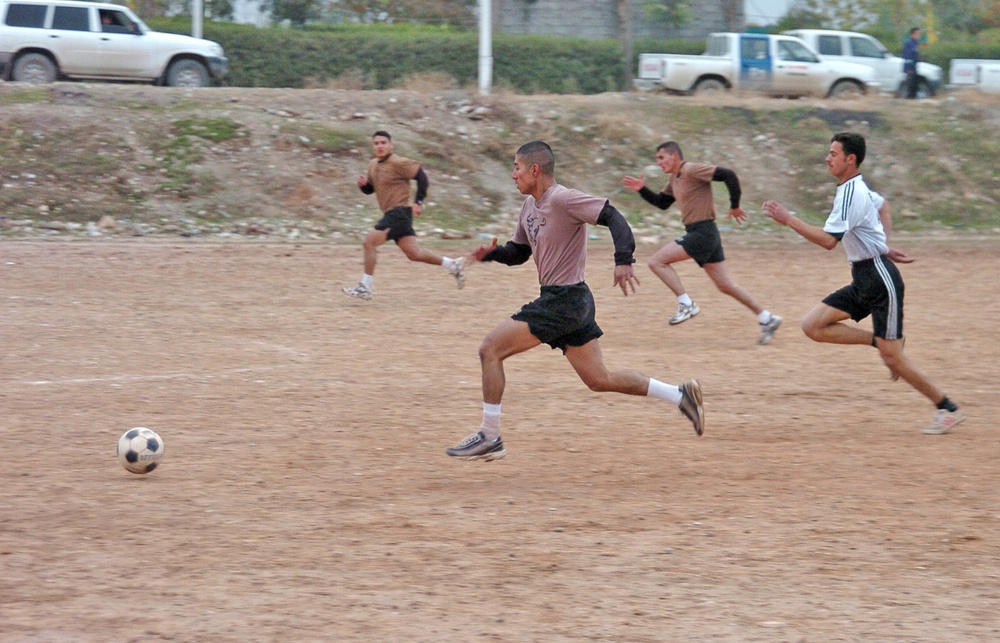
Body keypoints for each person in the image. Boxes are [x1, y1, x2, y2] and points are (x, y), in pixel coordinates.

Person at [445, 140, 704, 461]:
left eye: (516, 167)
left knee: (490, 349)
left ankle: (490, 435)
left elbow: (613, 216)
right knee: (600, 379)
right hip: (569, 302)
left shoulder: (563, 198)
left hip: (564, 300)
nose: (513, 175)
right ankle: (680, 395)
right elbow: (519, 254)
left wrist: (624, 259)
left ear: (534, 170)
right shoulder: (529, 207)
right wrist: (493, 254)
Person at [762, 132, 965, 435]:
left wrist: (788, 219)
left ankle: (947, 409)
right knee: (812, 326)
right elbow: (883, 207)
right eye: (828, 153)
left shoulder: (851, 193)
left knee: (894, 360)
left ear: (850, 159)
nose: (827, 158)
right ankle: (877, 341)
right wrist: (882, 245)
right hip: (864, 277)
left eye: (833, 153)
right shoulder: (856, 189)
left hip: (880, 279)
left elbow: (829, 241)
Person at [622, 141, 782, 344]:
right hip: (705, 233)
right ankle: (767, 318)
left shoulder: (691, 169)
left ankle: (686, 303)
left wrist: (734, 206)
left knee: (657, 262)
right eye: (657, 159)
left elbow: (728, 175)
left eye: (661, 158)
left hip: (703, 232)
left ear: (675, 156)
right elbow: (662, 203)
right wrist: (641, 189)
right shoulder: (675, 179)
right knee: (725, 285)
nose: (659, 163)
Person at [342, 131, 465, 300]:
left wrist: (419, 202)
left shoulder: (398, 162)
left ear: (391, 145)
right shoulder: (373, 165)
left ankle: (365, 286)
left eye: (383, 142)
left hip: (399, 212)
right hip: (395, 215)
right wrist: (364, 186)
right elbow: (372, 188)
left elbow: (422, 177)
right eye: (376, 143)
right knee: (414, 254)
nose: (380, 146)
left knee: (369, 242)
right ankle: (452, 264)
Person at [902, 27, 921, 99]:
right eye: (917, 33)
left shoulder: (915, 43)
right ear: (913, 34)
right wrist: (908, 69)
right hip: (910, 69)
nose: (918, 35)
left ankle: (913, 99)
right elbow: (907, 56)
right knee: (910, 86)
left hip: (914, 67)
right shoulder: (909, 43)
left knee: (915, 86)